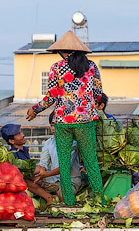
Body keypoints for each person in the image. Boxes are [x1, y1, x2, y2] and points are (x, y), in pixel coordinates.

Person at [26, 30, 105, 206]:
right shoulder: (92, 67)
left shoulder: (57, 67)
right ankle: (100, 202)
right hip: (85, 121)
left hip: (62, 122)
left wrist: (35, 110)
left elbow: (51, 97)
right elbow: (98, 94)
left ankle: (68, 203)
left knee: (63, 164)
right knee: (91, 162)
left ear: (63, 51)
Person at [0, 123, 56, 205]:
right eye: (19, 134)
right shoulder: (12, 155)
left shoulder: (24, 150)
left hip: (36, 179)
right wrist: (39, 170)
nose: (23, 135)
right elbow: (22, 173)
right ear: (11, 141)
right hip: (22, 183)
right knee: (26, 180)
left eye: (21, 132)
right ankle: (48, 197)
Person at [34, 111, 83, 201]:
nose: (53, 129)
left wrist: (45, 174)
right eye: (52, 125)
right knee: (29, 181)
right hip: (53, 180)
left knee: (64, 195)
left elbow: (65, 167)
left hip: (70, 180)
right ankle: (49, 198)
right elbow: (43, 163)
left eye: (56, 125)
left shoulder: (73, 143)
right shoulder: (49, 143)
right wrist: (37, 172)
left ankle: (58, 194)